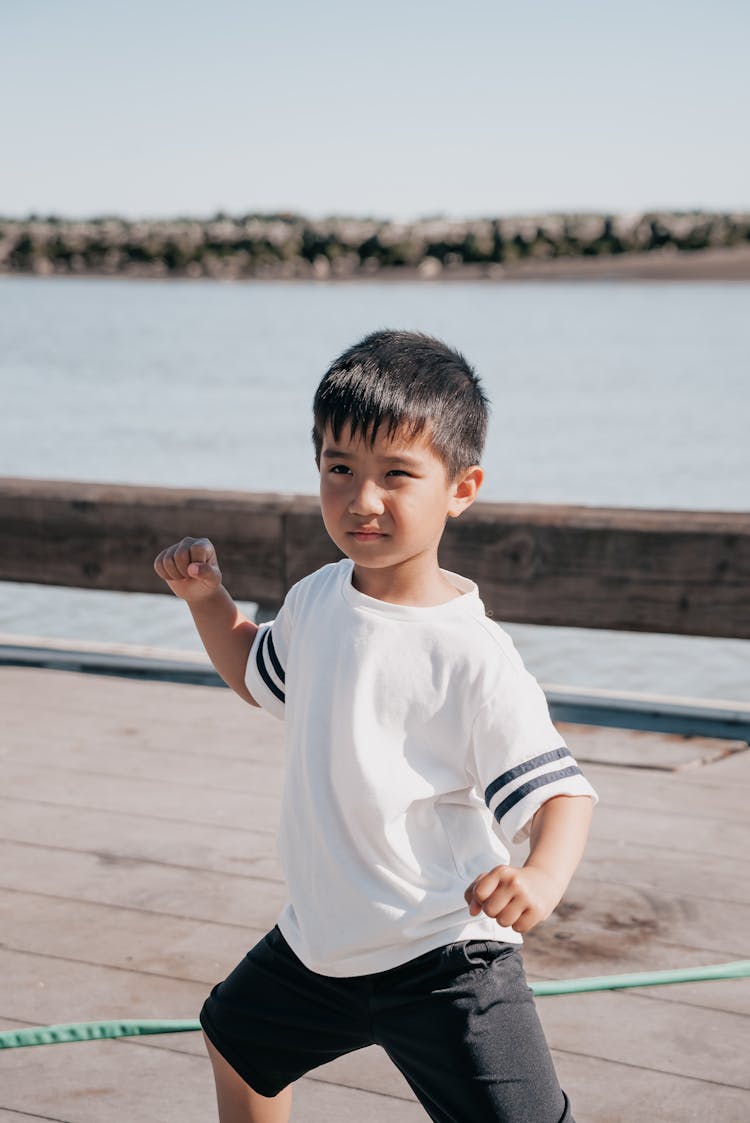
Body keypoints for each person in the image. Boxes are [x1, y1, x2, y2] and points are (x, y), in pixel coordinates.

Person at [154, 329, 598, 1123]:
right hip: (322, 942)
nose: (363, 500)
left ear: (462, 488)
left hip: (444, 955)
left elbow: (562, 793)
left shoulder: (472, 653)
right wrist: (209, 604)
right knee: (235, 1036)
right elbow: (259, 674)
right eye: (340, 469)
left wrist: (539, 877)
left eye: (397, 474)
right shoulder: (319, 596)